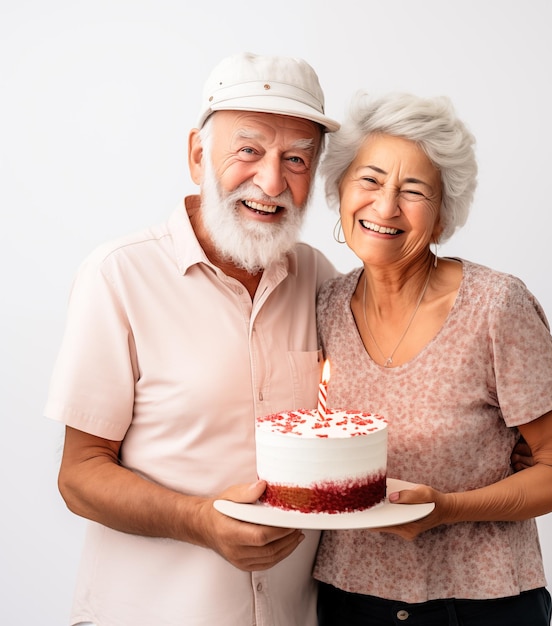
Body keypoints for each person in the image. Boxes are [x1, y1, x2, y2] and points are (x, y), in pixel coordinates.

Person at [44, 51, 340, 626]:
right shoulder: (119, 275)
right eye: (248, 150)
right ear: (198, 155)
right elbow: (79, 475)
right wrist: (199, 520)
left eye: (297, 159)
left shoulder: (320, 279)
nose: (272, 180)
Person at [313, 91, 552, 625]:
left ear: (441, 218)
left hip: (477, 606)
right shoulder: (325, 304)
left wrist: (446, 510)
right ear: (341, 189)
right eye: (370, 180)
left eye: (413, 190)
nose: (386, 206)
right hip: (347, 597)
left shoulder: (495, 307)